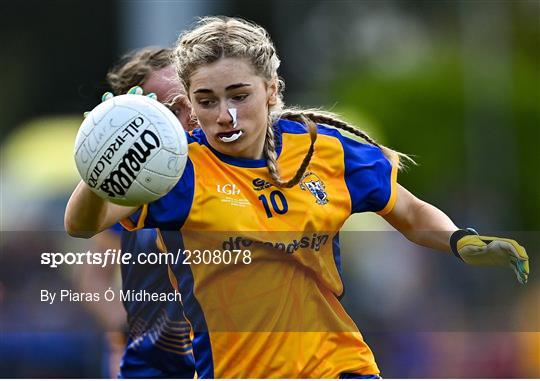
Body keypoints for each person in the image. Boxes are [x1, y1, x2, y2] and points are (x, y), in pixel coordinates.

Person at [65, 17, 529, 378]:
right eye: (206, 101)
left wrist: (458, 240)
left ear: (271, 91)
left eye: (239, 95)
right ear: (190, 102)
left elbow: (407, 210)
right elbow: (80, 224)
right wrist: (98, 165)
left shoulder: (325, 150)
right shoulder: (179, 172)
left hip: (342, 365)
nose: (225, 115)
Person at [92, 47, 196, 378]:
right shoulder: (137, 194)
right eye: (170, 109)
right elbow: (92, 276)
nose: (190, 116)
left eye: (194, 100)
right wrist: (126, 332)